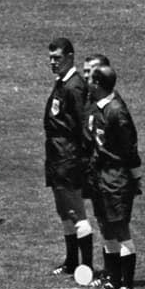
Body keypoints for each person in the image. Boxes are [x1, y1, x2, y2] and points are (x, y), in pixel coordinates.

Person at [86, 64, 141, 289]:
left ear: (97, 84)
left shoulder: (116, 111)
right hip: (101, 176)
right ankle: (112, 280)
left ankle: (127, 287)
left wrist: (135, 178)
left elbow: (130, 148)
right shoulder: (100, 107)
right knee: (106, 228)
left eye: (91, 79)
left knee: (120, 229)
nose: (87, 81)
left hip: (116, 178)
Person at [45, 37, 93, 276]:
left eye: (58, 58)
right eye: (51, 58)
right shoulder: (63, 82)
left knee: (75, 210)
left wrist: (80, 159)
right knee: (63, 210)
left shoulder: (74, 86)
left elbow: (82, 126)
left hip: (68, 157)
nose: (53, 62)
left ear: (70, 57)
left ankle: (86, 265)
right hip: (56, 156)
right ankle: (72, 260)